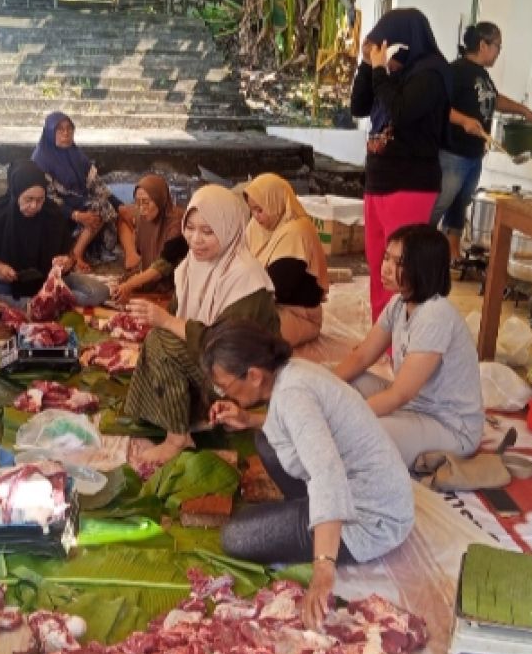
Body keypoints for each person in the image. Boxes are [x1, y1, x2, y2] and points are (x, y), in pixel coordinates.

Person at [202, 320, 414, 631]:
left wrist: (323, 568)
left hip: (370, 517)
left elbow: (327, 472)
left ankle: (319, 528)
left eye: (224, 386)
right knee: (267, 440)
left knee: (236, 537)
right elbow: (297, 429)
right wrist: (247, 418)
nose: (223, 393)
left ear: (255, 375)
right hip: (366, 490)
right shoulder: (290, 372)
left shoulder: (292, 395)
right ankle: (305, 516)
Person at [123, 185, 279, 466]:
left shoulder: (245, 278)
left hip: (241, 380)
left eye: (208, 231)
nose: (196, 239)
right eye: (190, 228)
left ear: (229, 229)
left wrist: (165, 321)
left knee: (161, 341)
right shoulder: (191, 265)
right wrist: (161, 320)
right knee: (158, 339)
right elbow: (176, 315)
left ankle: (178, 437)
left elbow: (226, 348)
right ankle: (192, 413)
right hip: (213, 362)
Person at [333, 223, 483, 468]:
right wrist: (321, 385)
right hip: (413, 407)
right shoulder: (399, 303)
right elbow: (361, 357)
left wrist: (347, 419)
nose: (386, 268)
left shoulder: (435, 314)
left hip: (450, 426)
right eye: (386, 258)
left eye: (399, 263)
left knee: (363, 437)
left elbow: (400, 394)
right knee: (344, 384)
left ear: (423, 268)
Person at [350, 9, 453, 319]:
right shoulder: (391, 75)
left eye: (387, 49)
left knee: (401, 271)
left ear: (406, 43)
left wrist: (380, 71)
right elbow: (359, 106)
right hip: (379, 179)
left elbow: (401, 111)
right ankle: (382, 336)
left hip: (410, 182)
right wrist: (366, 65)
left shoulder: (432, 73)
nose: (386, 58)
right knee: (379, 266)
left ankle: (405, 337)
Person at [432, 23, 532, 261]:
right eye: (497, 46)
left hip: (474, 154)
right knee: (439, 204)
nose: (499, 52)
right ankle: (415, 248)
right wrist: (464, 121)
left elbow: (494, 99)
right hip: (453, 153)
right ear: (483, 45)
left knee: (460, 204)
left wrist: (522, 110)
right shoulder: (455, 71)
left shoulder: (482, 74)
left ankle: (452, 252)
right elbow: (437, 105)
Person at [0, 161, 111, 309]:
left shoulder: (52, 213)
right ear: (16, 193)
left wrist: (66, 262)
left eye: (40, 200)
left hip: (48, 283)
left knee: (99, 292)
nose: (34, 206)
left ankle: (34, 304)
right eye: (28, 199)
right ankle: (43, 304)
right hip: (7, 285)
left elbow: (70, 256)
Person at [31, 112, 135, 270]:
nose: (66, 133)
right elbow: (48, 199)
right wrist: (76, 215)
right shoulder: (41, 160)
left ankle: (130, 254)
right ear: (50, 133)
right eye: (60, 129)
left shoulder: (77, 155)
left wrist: (120, 205)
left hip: (81, 208)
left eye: (69, 128)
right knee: (101, 207)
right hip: (56, 214)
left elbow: (97, 186)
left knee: (116, 210)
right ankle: (76, 254)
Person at [243, 173, 328, 346]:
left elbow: (277, 287)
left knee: (243, 334)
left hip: (299, 315)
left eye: (260, 210)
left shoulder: (297, 231)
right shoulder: (257, 227)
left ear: (275, 203)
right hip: (268, 306)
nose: (256, 216)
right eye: (252, 210)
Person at [112, 174, 187, 304]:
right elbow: (123, 217)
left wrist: (130, 284)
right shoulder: (142, 216)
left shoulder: (176, 223)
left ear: (159, 199)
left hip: (175, 286)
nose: (142, 208)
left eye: (146, 202)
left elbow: (163, 265)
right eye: (138, 202)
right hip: (151, 280)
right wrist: (131, 252)